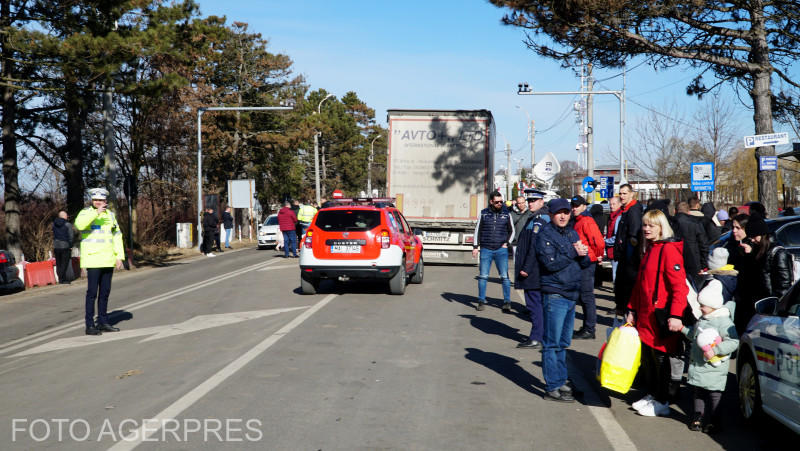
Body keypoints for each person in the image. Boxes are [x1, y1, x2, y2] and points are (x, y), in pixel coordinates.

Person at [626, 209, 689, 417]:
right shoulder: (650, 248)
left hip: (660, 315)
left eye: (651, 225)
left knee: (662, 360)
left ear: (661, 228)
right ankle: (653, 394)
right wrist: (632, 309)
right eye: (644, 225)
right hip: (646, 315)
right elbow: (640, 284)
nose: (646, 229)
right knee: (649, 359)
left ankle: (663, 400)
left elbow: (679, 287)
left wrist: (676, 315)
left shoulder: (668, 250)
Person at [535, 198, 590, 402]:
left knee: (563, 343)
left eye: (566, 212)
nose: (563, 216)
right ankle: (552, 387)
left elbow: (584, 262)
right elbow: (550, 264)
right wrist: (573, 252)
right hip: (555, 293)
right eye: (559, 212)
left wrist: (583, 254)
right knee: (552, 343)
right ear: (551, 214)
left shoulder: (572, 232)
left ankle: (561, 380)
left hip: (571, 293)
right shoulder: (544, 235)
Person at [681, 280, 738, 433]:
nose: (700, 308)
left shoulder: (723, 321)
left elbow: (733, 341)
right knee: (698, 392)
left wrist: (716, 350)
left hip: (714, 366)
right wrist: (682, 329)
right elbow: (694, 335)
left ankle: (714, 420)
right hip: (700, 364)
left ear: (713, 305)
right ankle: (698, 416)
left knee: (714, 394)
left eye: (703, 305)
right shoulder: (703, 319)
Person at [75, 188, 125, 335]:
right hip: (93, 260)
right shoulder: (85, 213)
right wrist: (95, 213)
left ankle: (103, 322)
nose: (98, 202)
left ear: (105, 201)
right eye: (96, 200)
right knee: (92, 293)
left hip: (108, 260)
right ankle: (90, 325)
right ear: (92, 200)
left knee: (105, 293)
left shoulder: (110, 215)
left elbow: (117, 236)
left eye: (101, 200)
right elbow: (80, 225)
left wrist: (119, 256)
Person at [739, 215, 793, 327]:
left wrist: (777, 310)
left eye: (754, 237)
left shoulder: (778, 253)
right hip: (759, 305)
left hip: (771, 307)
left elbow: (784, 286)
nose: (752, 240)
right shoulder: (757, 250)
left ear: (763, 234)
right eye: (750, 238)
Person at [514, 189, 548, 349]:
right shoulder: (535, 217)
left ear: (542, 201)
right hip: (535, 269)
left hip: (534, 270)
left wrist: (526, 268)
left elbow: (534, 246)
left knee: (534, 305)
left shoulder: (540, 219)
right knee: (537, 304)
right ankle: (540, 335)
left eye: (533, 200)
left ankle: (536, 337)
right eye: (529, 201)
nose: (530, 203)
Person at [472, 191, 515, 312]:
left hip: (501, 250)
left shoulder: (507, 214)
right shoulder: (483, 213)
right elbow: (477, 230)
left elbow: (512, 231)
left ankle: (507, 302)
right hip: (486, 249)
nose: (500, 204)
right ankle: (481, 300)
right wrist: (475, 247)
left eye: (501, 202)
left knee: (504, 277)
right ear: (491, 201)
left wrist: (507, 243)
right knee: (483, 276)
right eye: (497, 202)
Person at [570, 195, 605, 339]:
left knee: (586, 296)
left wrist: (596, 256)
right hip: (581, 261)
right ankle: (587, 327)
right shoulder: (577, 220)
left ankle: (590, 329)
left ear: (584, 206)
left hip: (587, 262)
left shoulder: (586, 221)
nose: (574, 208)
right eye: (573, 206)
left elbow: (599, 242)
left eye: (577, 206)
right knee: (583, 296)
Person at [614, 184, 643, 314]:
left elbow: (633, 236)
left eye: (624, 193)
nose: (622, 196)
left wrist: (629, 260)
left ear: (632, 194)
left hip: (629, 259)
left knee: (627, 289)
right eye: (620, 193)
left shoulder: (633, 211)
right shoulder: (626, 210)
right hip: (625, 256)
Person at [674, 201, 708, 288]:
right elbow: (703, 245)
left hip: (675, 260)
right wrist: (704, 265)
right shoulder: (696, 223)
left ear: (675, 211)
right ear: (689, 212)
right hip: (694, 261)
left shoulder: (671, 223)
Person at [53, 210, 74, 284]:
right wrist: (71, 245)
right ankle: (63, 279)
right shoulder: (68, 224)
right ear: (65, 216)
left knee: (59, 263)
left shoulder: (54, 224)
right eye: (66, 215)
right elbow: (71, 236)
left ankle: (60, 279)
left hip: (56, 245)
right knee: (64, 263)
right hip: (65, 245)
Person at [605, 196, 622, 282]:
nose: (611, 206)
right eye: (610, 204)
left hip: (617, 251)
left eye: (614, 204)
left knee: (616, 276)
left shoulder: (619, 217)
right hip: (612, 251)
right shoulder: (611, 217)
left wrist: (604, 242)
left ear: (619, 204)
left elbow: (617, 237)